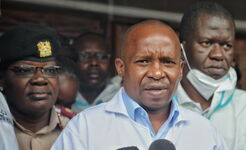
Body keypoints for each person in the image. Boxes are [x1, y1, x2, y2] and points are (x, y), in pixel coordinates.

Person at [51, 20, 228, 150]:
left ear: (181, 69)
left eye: (167, 62)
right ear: (121, 68)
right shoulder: (86, 127)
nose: (157, 73)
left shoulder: (205, 131)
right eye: (144, 61)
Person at [175, 1, 246, 149]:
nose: (218, 55)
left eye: (227, 45)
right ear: (182, 49)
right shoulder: (158, 104)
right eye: (206, 43)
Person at [0, 24, 70, 150]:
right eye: (25, 70)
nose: (40, 79)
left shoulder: (76, 126)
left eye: (50, 70)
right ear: (2, 79)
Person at [71, 32, 121, 113]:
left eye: (101, 57)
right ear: (73, 60)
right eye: (84, 56)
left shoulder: (121, 92)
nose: (94, 63)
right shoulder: (63, 95)